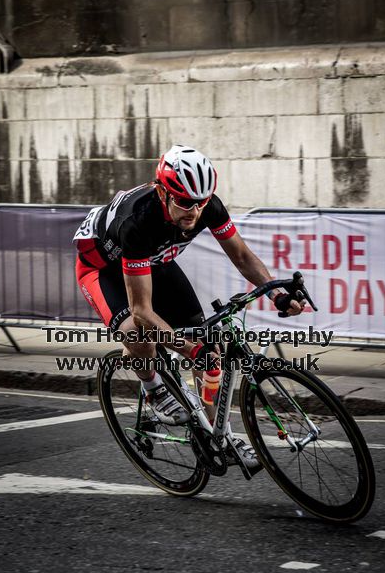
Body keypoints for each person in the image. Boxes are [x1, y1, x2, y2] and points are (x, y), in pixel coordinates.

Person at [74, 145, 304, 468]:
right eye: (183, 202)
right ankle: (153, 388)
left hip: (153, 261)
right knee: (139, 334)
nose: (194, 212)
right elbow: (141, 311)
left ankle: (218, 435)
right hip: (102, 269)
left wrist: (276, 293)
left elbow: (241, 256)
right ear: (162, 192)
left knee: (208, 351)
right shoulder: (138, 222)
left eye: (200, 202)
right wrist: (186, 348)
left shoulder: (205, 205)